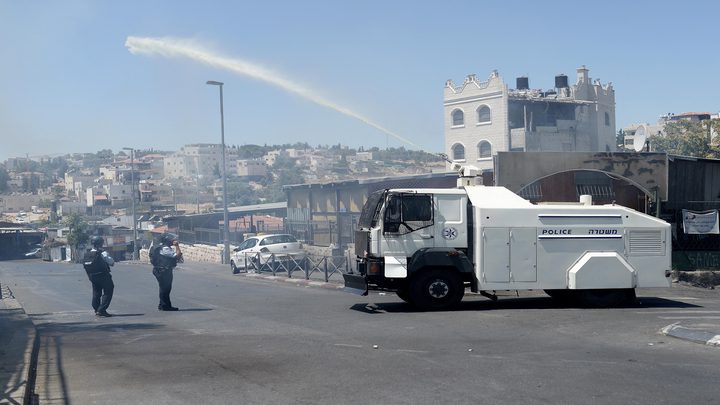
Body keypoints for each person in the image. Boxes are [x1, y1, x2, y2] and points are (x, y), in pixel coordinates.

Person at [83, 236, 115, 317]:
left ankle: (96, 308)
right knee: (108, 291)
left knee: (96, 293)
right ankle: (102, 310)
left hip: (92, 276)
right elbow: (111, 262)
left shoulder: (88, 253)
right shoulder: (102, 253)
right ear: (101, 243)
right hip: (103, 275)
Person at [151, 233, 183, 311]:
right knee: (165, 288)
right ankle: (165, 306)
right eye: (171, 240)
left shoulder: (160, 247)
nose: (172, 241)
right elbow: (177, 255)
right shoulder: (165, 249)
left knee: (163, 288)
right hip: (163, 270)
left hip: (160, 270)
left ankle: (162, 304)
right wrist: (177, 246)